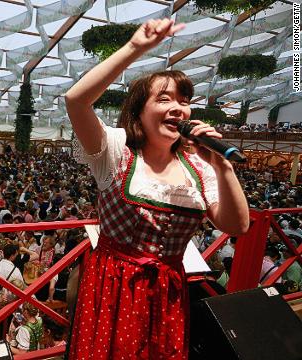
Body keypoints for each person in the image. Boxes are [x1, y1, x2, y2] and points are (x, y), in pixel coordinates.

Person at [65, 18, 249, 359]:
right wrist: (136, 48)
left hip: (167, 292)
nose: (178, 106)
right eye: (164, 99)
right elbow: (76, 101)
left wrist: (222, 165)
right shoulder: (116, 150)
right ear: (138, 113)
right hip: (112, 288)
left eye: (183, 99)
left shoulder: (199, 166)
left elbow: (236, 225)